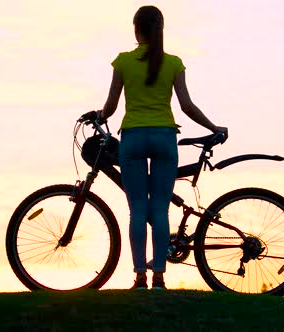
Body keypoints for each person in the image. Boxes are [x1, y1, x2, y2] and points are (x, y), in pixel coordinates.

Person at [98, 5, 228, 290]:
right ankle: (159, 277)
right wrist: (213, 127)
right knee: (159, 210)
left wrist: (98, 116)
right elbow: (187, 106)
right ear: (160, 29)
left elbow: (109, 108)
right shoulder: (173, 63)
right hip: (164, 137)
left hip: (132, 137)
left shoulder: (122, 62)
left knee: (137, 210)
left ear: (136, 29)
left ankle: (140, 278)